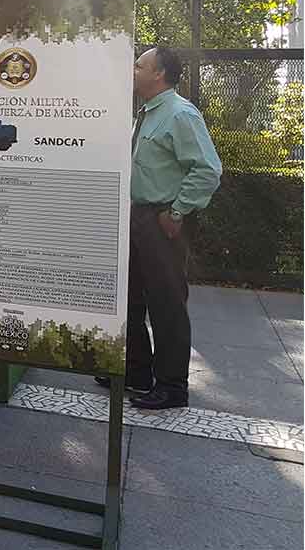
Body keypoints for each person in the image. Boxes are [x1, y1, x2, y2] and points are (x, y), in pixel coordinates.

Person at [99, 47, 222, 409]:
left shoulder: (181, 114)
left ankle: (171, 385)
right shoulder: (147, 113)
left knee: (166, 303)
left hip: (162, 220)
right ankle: (137, 371)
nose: (132, 69)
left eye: (139, 65)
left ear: (159, 74)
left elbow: (207, 170)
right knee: (131, 298)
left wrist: (177, 212)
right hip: (138, 217)